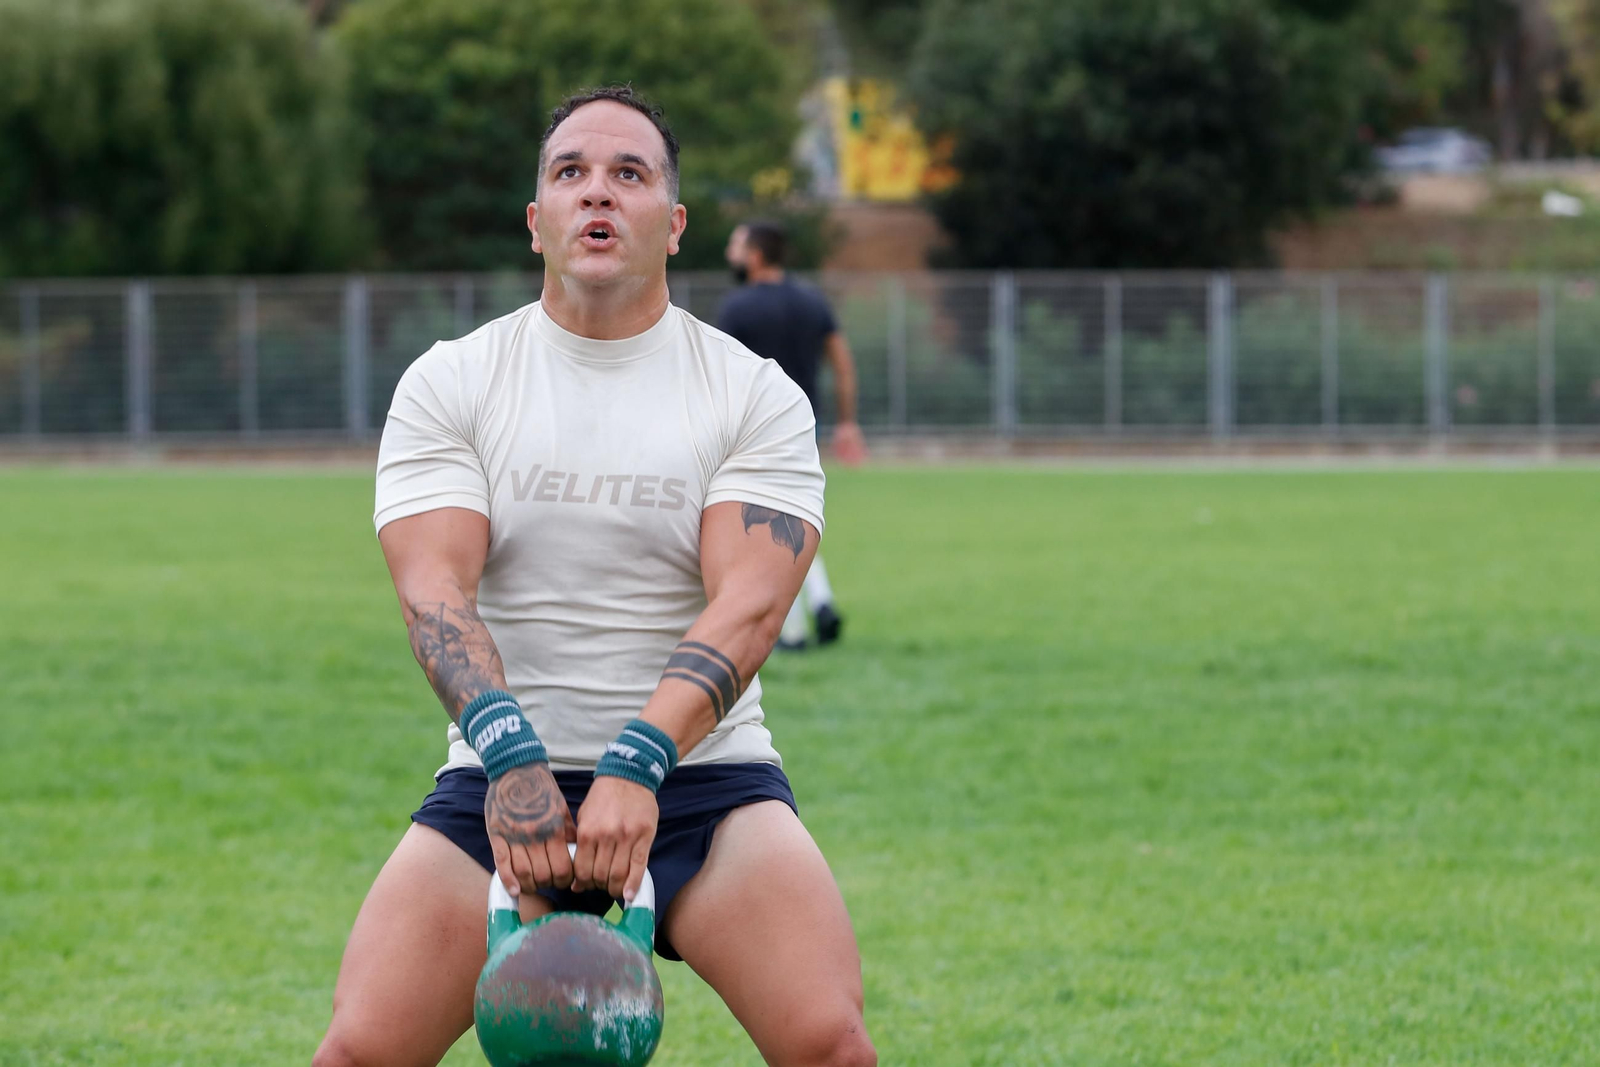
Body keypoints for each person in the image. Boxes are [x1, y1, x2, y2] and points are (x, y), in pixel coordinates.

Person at [312, 85, 876, 1067]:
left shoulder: (752, 392)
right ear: (537, 221)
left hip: (700, 776)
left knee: (832, 1045)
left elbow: (750, 606)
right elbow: (434, 593)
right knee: (358, 1051)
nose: (597, 191)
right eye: (570, 172)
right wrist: (510, 759)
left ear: (675, 223)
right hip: (502, 771)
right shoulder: (452, 380)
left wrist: (640, 760)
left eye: (629, 172)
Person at [718, 220, 865, 650]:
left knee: (766, 527)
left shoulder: (737, 309)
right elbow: (842, 365)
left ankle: (795, 630)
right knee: (791, 515)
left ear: (755, 256)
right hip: (803, 426)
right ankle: (820, 601)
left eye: (735, 246)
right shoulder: (813, 302)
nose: (730, 254)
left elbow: (717, 374)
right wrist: (847, 422)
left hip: (750, 429)